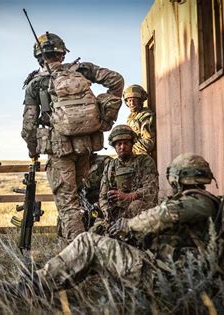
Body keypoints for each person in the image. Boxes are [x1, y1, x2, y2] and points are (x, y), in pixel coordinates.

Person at [13, 153, 219, 294]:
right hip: (166, 269)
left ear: (179, 177)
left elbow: (159, 216)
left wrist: (128, 225)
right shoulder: (198, 201)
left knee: (88, 242)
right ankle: (44, 278)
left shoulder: (198, 203)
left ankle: (35, 285)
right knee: (98, 240)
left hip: (167, 278)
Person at [21, 32, 124, 242]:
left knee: (68, 203)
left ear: (39, 57)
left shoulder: (35, 84)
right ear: (61, 54)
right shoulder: (81, 71)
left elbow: (29, 125)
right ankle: (83, 241)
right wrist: (105, 115)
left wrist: (33, 149)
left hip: (59, 150)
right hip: (86, 146)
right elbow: (116, 80)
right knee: (79, 197)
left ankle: (77, 252)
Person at [98, 125, 158, 226]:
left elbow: (151, 189)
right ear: (114, 146)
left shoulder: (144, 161)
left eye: (126, 143)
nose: (122, 147)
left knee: (135, 206)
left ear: (132, 144)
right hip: (117, 214)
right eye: (119, 144)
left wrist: (129, 196)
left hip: (140, 210)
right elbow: (103, 196)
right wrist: (107, 211)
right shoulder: (110, 166)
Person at [124, 85, 156, 156]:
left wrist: (128, 152)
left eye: (134, 100)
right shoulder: (131, 118)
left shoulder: (145, 116)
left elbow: (148, 143)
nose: (132, 103)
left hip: (141, 158)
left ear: (140, 101)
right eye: (129, 100)